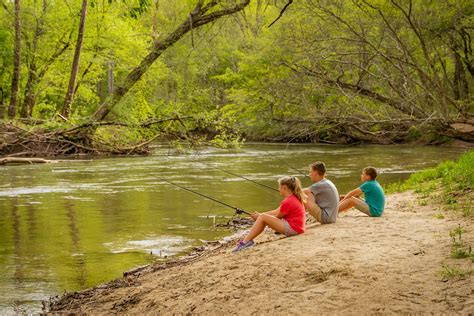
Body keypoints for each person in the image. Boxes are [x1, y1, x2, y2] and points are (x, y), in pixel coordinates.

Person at [233, 176, 306, 253]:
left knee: (263, 217)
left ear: (284, 187)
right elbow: (276, 211)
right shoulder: (292, 198)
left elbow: (277, 217)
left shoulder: (287, 202)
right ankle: (247, 241)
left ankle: (245, 242)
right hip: (297, 228)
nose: (278, 189)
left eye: (279, 187)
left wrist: (260, 217)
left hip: (293, 229)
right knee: (262, 217)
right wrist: (260, 215)